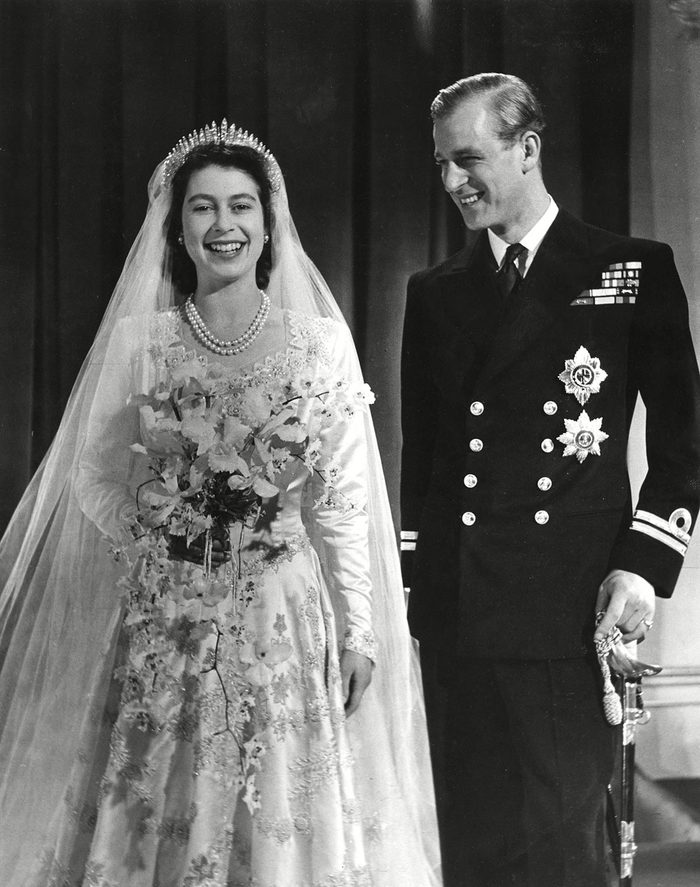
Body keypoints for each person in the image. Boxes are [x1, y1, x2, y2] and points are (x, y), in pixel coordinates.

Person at [0, 123, 442, 887]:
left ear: (269, 224)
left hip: (282, 617)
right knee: (164, 808)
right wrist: (157, 536)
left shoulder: (319, 345)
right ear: (177, 228)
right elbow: (94, 474)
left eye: (241, 206)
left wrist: (360, 630)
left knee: (275, 810)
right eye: (202, 207)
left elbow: (341, 501)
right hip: (169, 615)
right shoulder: (141, 342)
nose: (223, 225)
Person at [400, 73, 700, 887]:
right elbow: (423, 467)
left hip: (568, 610)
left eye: (469, 158)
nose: (452, 180)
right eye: (441, 163)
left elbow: (684, 444)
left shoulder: (629, 269)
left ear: (527, 148)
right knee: (472, 848)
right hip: (459, 613)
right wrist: (412, 592)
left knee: (563, 855)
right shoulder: (434, 294)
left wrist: (642, 564)